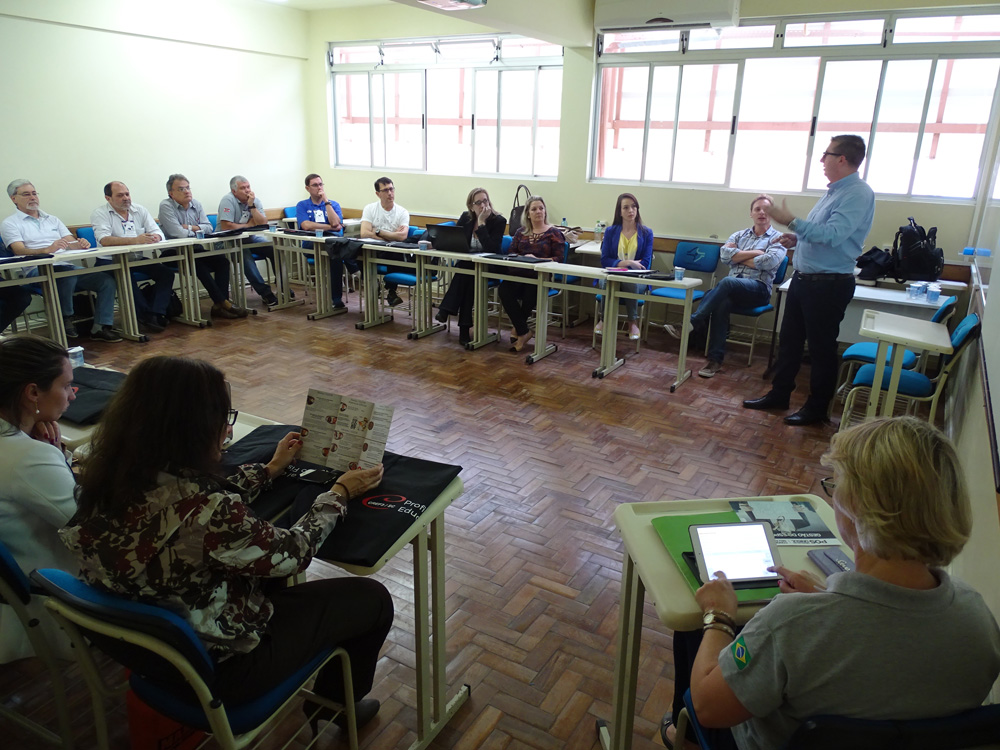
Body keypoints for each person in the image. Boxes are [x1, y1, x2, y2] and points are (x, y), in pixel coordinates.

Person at [61, 356, 393, 729]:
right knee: (372, 598)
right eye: (224, 418)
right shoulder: (209, 511)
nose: (227, 429)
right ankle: (336, 707)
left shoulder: (103, 478)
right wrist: (338, 493)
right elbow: (293, 553)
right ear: (195, 428)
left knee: (269, 576)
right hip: (224, 669)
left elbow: (178, 500)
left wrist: (270, 469)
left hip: (153, 652)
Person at [663, 417, 1000, 750]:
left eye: (835, 486)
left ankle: (685, 737)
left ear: (856, 506)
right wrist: (826, 599)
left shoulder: (789, 625)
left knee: (695, 629)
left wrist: (719, 615)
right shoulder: (977, 618)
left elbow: (708, 708)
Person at [743, 135, 874, 426]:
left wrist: (790, 220)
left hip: (828, 284)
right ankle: (779, 394)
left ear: (842, 159)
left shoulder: (857, 193)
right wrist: (797, 238)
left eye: (826, 154)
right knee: (789, 343)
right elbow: (820, 234)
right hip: (804, 280)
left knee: (820, 349)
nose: (821, 160)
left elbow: (833, 236)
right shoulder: (833, 192)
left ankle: (817, 409)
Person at [0, 335, 78, 663]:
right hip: (53, 602)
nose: (72, 395)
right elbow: (92, 530)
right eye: (66, 385)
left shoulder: (22, 448)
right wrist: (57, 456)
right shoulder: (28, 457)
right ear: (33, 392)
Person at [665, 195, 786, 379]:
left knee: (727, 282)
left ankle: (693, 322)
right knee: (722, 303)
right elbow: (725, 256)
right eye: (757, 209)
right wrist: (756, 253)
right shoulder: (739, 235)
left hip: (758, 290)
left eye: (766, 209)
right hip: (732, 291)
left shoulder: (778, 239)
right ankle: (715, 360)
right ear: (751, 213)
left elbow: (768, 262)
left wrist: (738, 256)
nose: (762, 212)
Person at [1, 179, 122, 342]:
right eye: (26, 194)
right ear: (14, 199)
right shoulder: (10, 223)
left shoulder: (52, 219)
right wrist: (46, 250)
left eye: (34, 193)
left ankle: (101, 327)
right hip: (37, 272)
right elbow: (19, 250)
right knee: (66, 275)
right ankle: (65, 319)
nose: (32, 197)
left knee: (105, 281)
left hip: (66, 266)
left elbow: (70, 242)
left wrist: (80, 244)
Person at [158, 174, 249, 320]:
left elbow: (208, 228)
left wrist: (188, 227)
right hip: (173, 253)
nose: (187, 191)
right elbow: (178, 233)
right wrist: (196, 230)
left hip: (195, 249)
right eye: (181, 189)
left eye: (188, 188)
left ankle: (219, 306)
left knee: (222, 261)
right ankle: (223, 303)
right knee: (198, 265)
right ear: (171, 193)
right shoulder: (166, 206)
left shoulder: (196, 204)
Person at [91, 181, 175, 334]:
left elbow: (158, 232)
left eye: (127, 194)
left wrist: (155, 237)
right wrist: (135, 240)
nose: (126, 198)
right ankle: (144, 315)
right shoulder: (100, 213)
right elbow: (104, 240)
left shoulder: (139, 210)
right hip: (109, 261)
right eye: (120, 195)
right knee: (126, 275)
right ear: (108, 198)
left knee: (166, 273)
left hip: (135, 259)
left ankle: (155, 313)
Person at [434, 187, 506, 346]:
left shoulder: (499, 221)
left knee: (465, 273)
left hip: (490, 266)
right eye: (478, 202)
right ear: (471, 206)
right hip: (470, 267)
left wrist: (481, 223)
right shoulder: (465, 218)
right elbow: (457, 242)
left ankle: (446, 310)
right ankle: (463, 330)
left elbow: (491, 248)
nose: (483, 205)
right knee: (468, 280)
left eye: (485, 201)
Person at [498, 195, 566, 353]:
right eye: (534, 209)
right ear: (528, 214)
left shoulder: (554, 233)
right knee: (504, 290)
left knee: (531, 291)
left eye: (541, 208)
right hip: (518, 274)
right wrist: (523, 258)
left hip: (539, 277)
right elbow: (511, 252)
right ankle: (524, 331)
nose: (538, 211)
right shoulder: (520, 232)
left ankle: (519, 330)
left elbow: (559, 258)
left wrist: (537, 260)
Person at [595, 193, 653, 342]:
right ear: (619, 211)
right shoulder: (610, 231)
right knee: (606, 282)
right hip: (613, 275)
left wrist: (626, 265)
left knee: (629, 282)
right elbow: (605, 260)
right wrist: (628, 263)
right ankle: (604, 319)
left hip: (637, 278)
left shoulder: (646, 233)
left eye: (633, 207)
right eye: (626, 207)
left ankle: (632, 321)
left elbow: (645, 263)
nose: (630, 211)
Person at [296, 173, 354, 313]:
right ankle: (357, 271)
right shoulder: (302, 205)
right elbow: (306, 226)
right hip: (312, 243)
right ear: (307, 188)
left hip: (332, 242)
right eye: (315, 185)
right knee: (337, 250)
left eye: (321, 184)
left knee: (335, 256)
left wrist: (326, 201)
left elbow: (336, 223)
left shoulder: (333, 204)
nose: (319, 188)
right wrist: (330, 227)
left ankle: (336, 300)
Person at [217, 175, 278, 307]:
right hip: (226, 242)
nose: (247, 190)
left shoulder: (254, 201)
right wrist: (249, 225)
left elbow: (263, 223)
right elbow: (226, 226)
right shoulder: (228, 200)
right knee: (244, 254)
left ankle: (283, 287)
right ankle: (266, 293)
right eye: (243, 188)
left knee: (272, 248)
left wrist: (252, 206)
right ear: (234, 191)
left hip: (247, 239)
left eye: (248, 187)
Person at [360, 177, 409, 307]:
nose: (390, 193)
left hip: (391, 249)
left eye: (391, 189)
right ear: (378, 194)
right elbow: (364, 233)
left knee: (395, 252)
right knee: (356, 250)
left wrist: (378, 232)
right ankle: (372, 283)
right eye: (385, 190)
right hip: (372, 248)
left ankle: (391, 291)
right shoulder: (370, 208)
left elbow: (402, 236)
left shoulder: (402, 212)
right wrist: (391, 235)